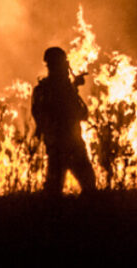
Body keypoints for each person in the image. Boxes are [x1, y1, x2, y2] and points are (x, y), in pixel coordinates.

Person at [31, 46, 97, 195]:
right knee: (88, 186)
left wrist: (73, 86)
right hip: (70, 144)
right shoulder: (56, 88)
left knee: (54, 189)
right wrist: (73, 88)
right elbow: (77, 112)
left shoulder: (43, 89)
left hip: (56, 144)